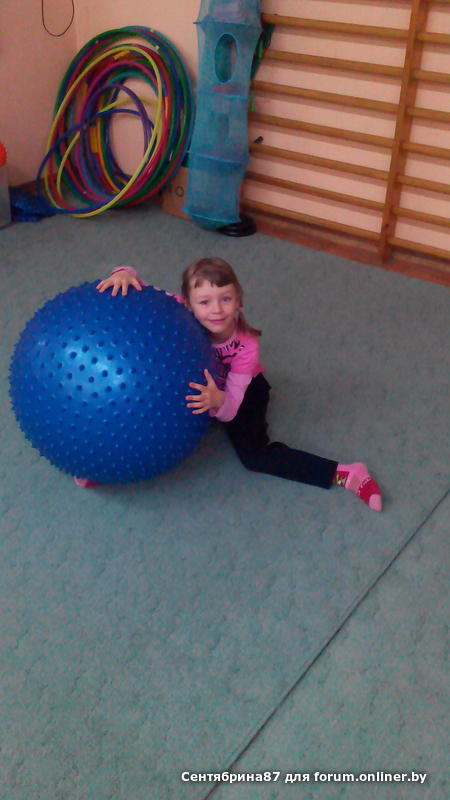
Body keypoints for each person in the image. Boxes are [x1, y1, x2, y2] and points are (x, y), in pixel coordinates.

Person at [76, 257, 382, 511]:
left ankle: (345, 473)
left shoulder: (246, 345)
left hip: (241, 394)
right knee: (145, 402)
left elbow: (231, 408)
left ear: (239, 302)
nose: (216, 309)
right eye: (205, 302)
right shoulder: (178, 309)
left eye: (226, 299)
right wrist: (123, 273)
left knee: (255, 457)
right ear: (188, 303)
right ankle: (109, 464)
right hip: (195, 384)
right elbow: (142, 287)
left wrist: (216, 402)